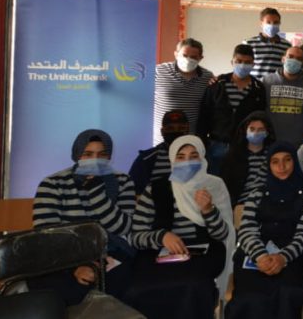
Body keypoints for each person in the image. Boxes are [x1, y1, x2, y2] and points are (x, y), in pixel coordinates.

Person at [127, 136, 234, 319]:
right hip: (161, 254)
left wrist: (208, 210)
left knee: (194, 285)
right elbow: (135, 236)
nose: (187, 162)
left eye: (193, 156)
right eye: (181, 157)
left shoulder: (214, 185)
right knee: (140, 288)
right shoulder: (156, 188)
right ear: (172, 160)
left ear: (202, 158)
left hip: (202, 253)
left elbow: (222, 234)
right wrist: (162, 237)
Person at [30, 129, 136, 306]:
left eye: (101, 154)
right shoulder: (53, 183)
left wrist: (96, 192)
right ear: (77, 155)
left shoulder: (123, 181)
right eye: (88, 154)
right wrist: (76, 266)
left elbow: (122, 228)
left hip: (109, 251)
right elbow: (46, 235)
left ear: (109, 157)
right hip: (63, 256)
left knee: (116, 282)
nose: (95, 159)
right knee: (55, 288)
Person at [226, 143, 303, 319]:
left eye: (287, 160)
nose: (281, 167)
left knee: (286, 294)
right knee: (250, 297)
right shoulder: (257, 193)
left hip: (291, 254)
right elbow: (246, 230)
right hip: (255, 252)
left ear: (295, 162)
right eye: (275, 162)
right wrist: (260, 255)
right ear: (268, 165)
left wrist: (283, 257)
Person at [198, 44, 267, 175]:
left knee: (239, 182)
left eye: (247, 62)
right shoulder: (218, 83)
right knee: (214, 182)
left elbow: (261, 118)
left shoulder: (258, 88)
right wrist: (202, 143)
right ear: (232, 62)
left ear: (253, 64)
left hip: (244, 147)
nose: (242, 65)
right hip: (216, 145)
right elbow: (204, 114)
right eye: (238, 61)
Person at [153, 38, 213, 141]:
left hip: (190, 140)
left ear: (200, 58)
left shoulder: (207, 77)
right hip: (161, 139)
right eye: (184, 55)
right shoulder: (159, 71)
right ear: (176, 54)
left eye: (193, 57)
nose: (188, 59)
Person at [262, 45, 303, 147]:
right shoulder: (266, 81)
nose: (294, 60)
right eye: (290, 56)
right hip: (270, 141)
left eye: (299, 59)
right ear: (283, 59)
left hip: (299, 143)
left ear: (302, 63)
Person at [220, 112, 276, 205]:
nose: (255, 133)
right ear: (245, 131)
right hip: (241, 204)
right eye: (252, 129)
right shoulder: (233, 156)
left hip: (268, 203)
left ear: (267, 133)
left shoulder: (273, 156)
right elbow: (225, 187)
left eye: (260, 130)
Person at [131, 110, 190, 195]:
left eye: (181, 128)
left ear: (188, 130)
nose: (176, 132)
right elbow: (134, 193)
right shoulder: (147, 159)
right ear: (162, 131)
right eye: (170, 128)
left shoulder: (199, 157)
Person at [244, 7, 292, 79]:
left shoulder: (287, 45)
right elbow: (243, 67)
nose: (272, 25)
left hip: (277, 84)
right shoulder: (248, 43)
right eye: (268, 22)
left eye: (275, 22)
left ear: (279, 23)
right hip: (255, 84)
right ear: (261, 23)